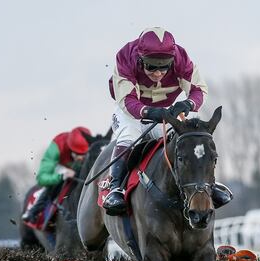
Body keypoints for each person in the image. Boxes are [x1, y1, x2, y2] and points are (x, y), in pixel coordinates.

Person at [103, 26, 232, 215]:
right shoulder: (125, 57)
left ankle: (208, 185)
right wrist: (149, 111)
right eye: (151, 66)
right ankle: (115, 189)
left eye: (164, 67)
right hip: (130, 112)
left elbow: (198, 90)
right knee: (129, 135)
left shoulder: (182, 59)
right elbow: (128, 101)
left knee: (193, 133)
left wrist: (188, 104)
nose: (158, 73)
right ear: (139, 58)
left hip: (165, 111)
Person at [22, 127, 91, 223]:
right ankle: (34, 212)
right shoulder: (57, 146)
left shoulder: (88, 145)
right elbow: (42, 178)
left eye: (84, 154)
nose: (81, 158)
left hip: (78, 172)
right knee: (57, 180)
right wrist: (61, 176)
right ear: (71, 149)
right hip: (60, 170)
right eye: (78, 154)